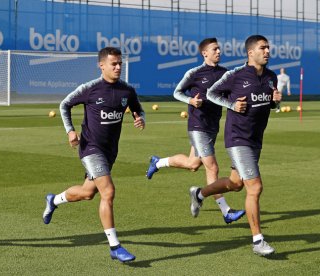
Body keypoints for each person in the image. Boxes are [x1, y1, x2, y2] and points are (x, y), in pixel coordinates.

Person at [42, 47, 145, 263]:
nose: (118, 67)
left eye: (120, 64)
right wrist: (70, 131)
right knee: (108, 192)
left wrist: (140, 118)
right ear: (101, 65)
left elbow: (138, 109)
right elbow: (64, 105)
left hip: (110, 151)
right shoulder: (90, 89)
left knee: (88, 193)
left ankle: (54, 200)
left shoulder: (127, 91)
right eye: (113, 64)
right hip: (90, 148)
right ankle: (115, 246)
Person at [189, 35, 282, 256]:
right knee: (255, 187)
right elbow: (211, 93)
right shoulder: (235, 76)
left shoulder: (271, 77)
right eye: (263, 48)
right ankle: (258, 241)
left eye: (268, 47)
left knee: (235, 183)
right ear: (251, 53)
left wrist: (275, 101)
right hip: (237, 139)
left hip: (255, 139)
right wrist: (231, 104)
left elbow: (268, 105)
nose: (267, 51)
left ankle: (199, 194)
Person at [145, 38, 245, 224]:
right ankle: (226, 211)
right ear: (204, 53)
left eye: (219, 49)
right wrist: (190, 101)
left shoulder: (225, 74)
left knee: (193, 164)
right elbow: (177, 92)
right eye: (214, 49)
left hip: (213, 125)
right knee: (212, 167)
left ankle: (158, 163)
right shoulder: (195, 73)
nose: (218, 52)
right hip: (198, 125)